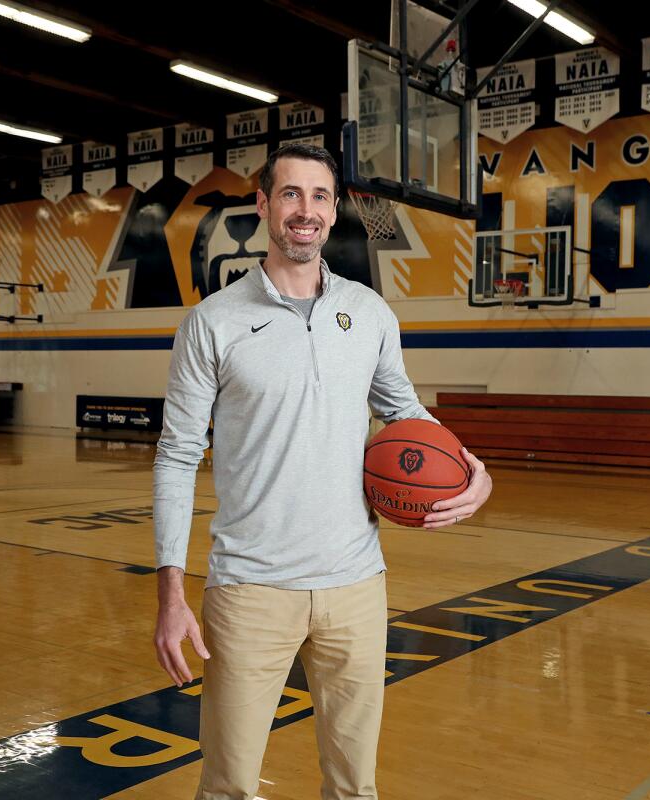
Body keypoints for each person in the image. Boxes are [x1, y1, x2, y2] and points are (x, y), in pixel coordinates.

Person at [152, 142, 493, 800]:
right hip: (250, 590)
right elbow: (176, 455)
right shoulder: (213, 323)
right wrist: (170, 593)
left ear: (334, 212)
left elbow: (408, 416)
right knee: (228, 786)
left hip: (356, 589)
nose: (304, 210)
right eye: (289, 194)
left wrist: (475, 473)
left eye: (318, 196)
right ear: (263, 205)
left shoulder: (368, 313)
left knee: (354, 788)